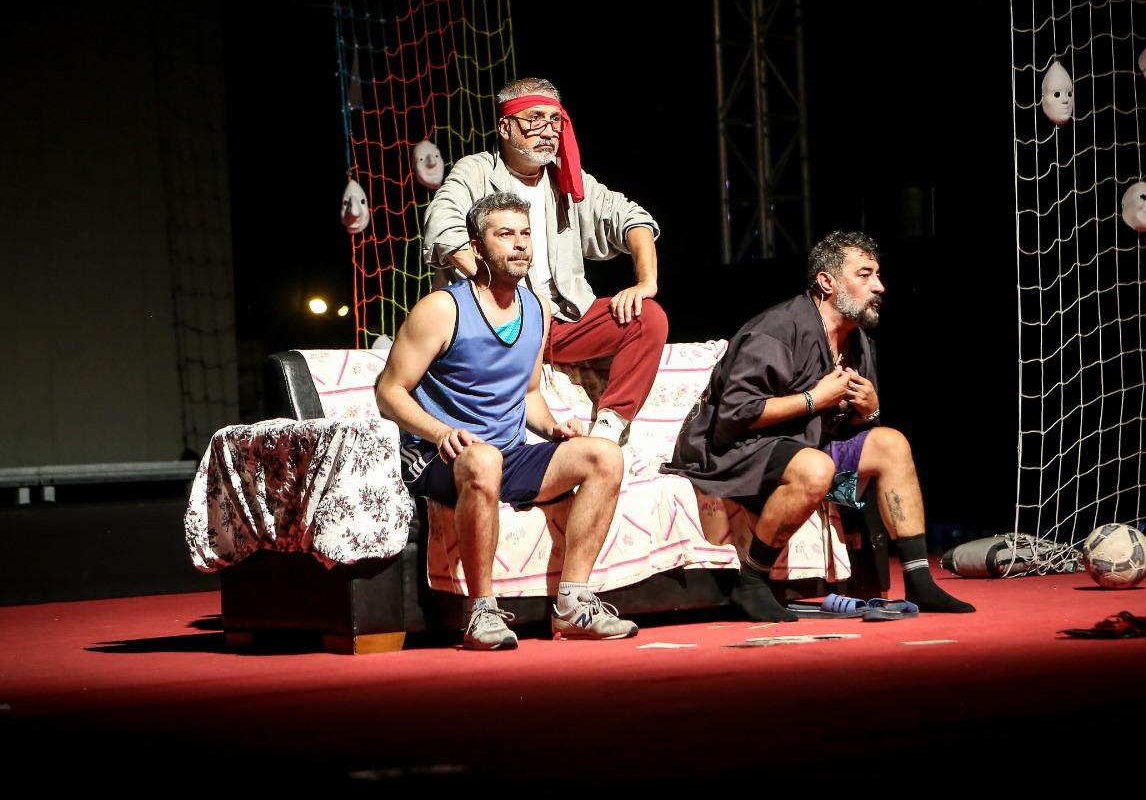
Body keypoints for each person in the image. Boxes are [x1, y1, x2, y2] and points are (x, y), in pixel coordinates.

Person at [663, 230, 975, 621]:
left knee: (891, 443)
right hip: (734, 450)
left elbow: (847, 427)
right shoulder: (776, 330)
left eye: (878, 275)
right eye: (865, 275)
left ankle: (918, 579)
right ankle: (752, 582)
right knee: (816, 466)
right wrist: (815, 398)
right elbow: (736, 414)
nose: (879, 286)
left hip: (804, 444)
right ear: (827, 282)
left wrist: (869, 411)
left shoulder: (858, 341)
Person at [377, 192, 639, 649]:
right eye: (505, 235)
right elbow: (389, 392)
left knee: (604, 456)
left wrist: (553, 428)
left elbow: (529, 393)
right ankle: (480, 612)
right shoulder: (443, 309)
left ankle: (573, 604)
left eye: (525, 234)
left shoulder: (536, 308)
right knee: (483, 460)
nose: (519, 244)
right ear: (478, 248)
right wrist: (440, 431)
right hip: (438, 457)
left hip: (506, 455)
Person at [423, 77, 665, 445]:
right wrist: (494, 286)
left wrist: (646, 283)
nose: (549, 131)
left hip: (563, 321)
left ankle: (609, 429)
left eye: (555, 120)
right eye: (535, 119)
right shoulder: (476, 171)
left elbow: (633, 218)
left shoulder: (566, 178)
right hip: (501, 319)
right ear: (506, 127)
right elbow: (442, 225)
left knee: (647, 318)